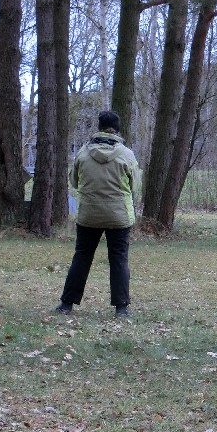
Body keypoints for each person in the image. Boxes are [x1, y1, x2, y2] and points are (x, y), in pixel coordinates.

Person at [56, 110, 140, 318]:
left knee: (82, 257)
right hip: (119, 215)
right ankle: (121, 308)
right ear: (117, 130)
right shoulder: (126, 154)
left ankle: (66, 304)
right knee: (119, 259)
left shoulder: (83, 153)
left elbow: (74, 181)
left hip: (89, 214)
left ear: (99, 127)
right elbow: (135, 186)